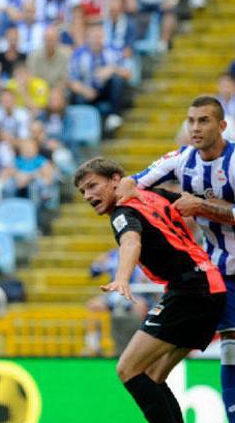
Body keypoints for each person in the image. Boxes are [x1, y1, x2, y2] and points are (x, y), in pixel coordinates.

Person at [75, 157, 225, 423]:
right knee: (153, 375)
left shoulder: (122, 212)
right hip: (211, 286)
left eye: (92, 186)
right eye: (83, 191)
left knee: (127, 368)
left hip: (191, 290)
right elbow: (189, 203)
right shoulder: (152, 194)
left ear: (115, 181)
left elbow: (131, 242)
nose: (88, 195)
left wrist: (121, 278)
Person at [118, 95, 235, 422]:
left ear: (222, 126)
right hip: (219, 271)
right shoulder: (182, 160)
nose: (195, 128)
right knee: (225, 345)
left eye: (204, 121)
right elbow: (132, 183)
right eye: (191, 121)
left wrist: (202, 207)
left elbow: (204, 208)